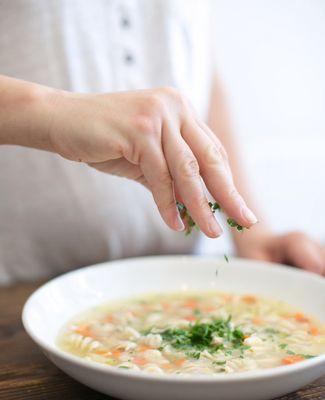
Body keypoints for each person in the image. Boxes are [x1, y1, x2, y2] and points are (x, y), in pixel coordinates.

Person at [0, 0, 324, 284]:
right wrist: (57, 112)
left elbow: (196, 76)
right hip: (22, 288)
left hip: (176, 287)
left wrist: (254, 235)